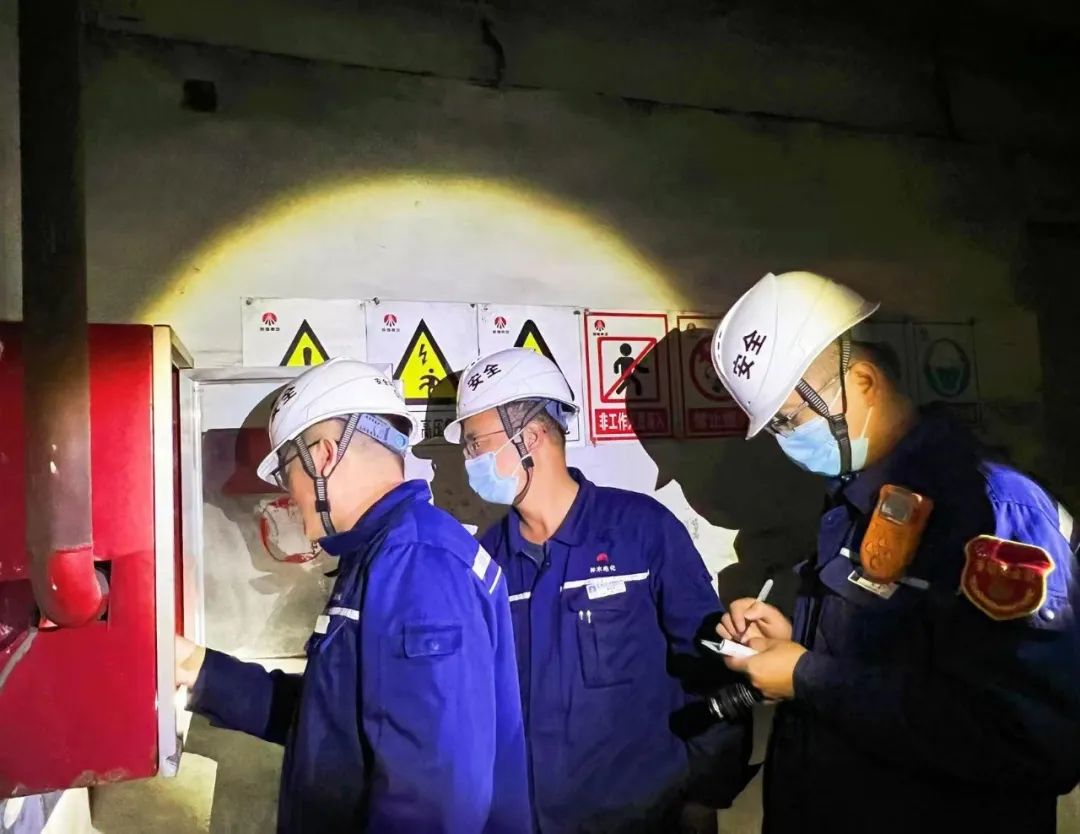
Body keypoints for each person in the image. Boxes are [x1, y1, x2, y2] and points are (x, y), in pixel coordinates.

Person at [710, 271, 1080, 834]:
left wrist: (808, 676)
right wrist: (794, 643)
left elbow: (1032, 739)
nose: (785, 441)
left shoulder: (993, 511)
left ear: (862, 381)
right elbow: (887, 654)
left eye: (789, 420)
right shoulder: (855, 503)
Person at [175, 358, 530, 834]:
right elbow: (330, 718)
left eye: (285, 473)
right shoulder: (383, 554)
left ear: (322, 456)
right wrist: (198, 669)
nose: (289, 495)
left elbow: (431, 801)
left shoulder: (416, 563)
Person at [444, 348, 749, 833]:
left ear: (530, 437)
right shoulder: (487, 561)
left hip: (642, 820)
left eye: (476, 443)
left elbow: (712, 665)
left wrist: (706, 795)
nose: (468, 461)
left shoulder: (641, 531)